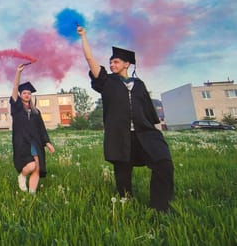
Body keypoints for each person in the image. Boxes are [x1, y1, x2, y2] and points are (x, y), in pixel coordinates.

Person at [77, 26, 174, 212]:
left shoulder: (139, 84)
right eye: (111, 62)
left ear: (126, 64)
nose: (112, 65)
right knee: (123, 173)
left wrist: (158, 132)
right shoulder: (107, 82)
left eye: (116, 62)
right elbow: (90, 60)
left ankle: (160, 206)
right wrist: (84, 36)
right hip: (120, 135)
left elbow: (148, 111)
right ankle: (126, 202)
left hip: (144, 133)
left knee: (164, 162)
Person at [11, 64, 55, 194]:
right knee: (30, 166)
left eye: (29, 93)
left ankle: (31, 194)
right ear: (20, 95)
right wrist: (18, 73)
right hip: (22, 142)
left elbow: (41, 129)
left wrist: (47, 143)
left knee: (37, 168)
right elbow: (14, 88)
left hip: (35, 143)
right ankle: (22, 176)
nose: (27, 95)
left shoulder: (36, 112)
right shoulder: (17, 108)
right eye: (24, 93)